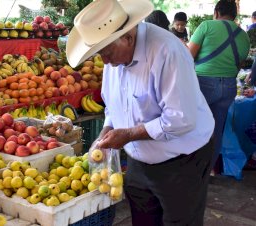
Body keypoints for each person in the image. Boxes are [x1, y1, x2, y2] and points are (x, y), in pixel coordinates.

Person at [66, 0, 214, 225]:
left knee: (181, 220)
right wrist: (106, 132)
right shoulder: (113, 57)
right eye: (98, 55)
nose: (105, 62)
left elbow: (181, 119)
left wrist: (128, 135)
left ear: (128, 37)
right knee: (143, 219)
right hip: (139, 156)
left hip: (182, 159)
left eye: (106, 53)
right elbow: (113, 105)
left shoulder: (167, 51)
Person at [188, 0, 250, 175]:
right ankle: (206, 172)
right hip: (229, 87)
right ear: (234, 15)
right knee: (216, 131)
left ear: (216, 12)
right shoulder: (244, 36)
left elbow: (187, 57)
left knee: (193, 127)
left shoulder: (207, 26)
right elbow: (238, 67)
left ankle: (190, 171)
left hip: (203, 84)